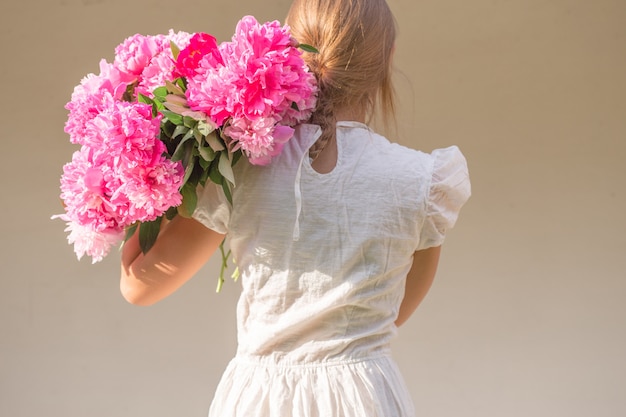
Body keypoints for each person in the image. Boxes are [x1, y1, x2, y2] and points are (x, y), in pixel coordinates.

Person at [120, 0, 471, 415]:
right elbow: (390, 314)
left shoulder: (237, 168)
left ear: (288, 52)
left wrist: (143, 180)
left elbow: (138, 288)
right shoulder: (425, 181)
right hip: (365, 398)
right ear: (386, 60)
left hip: (259, 399)